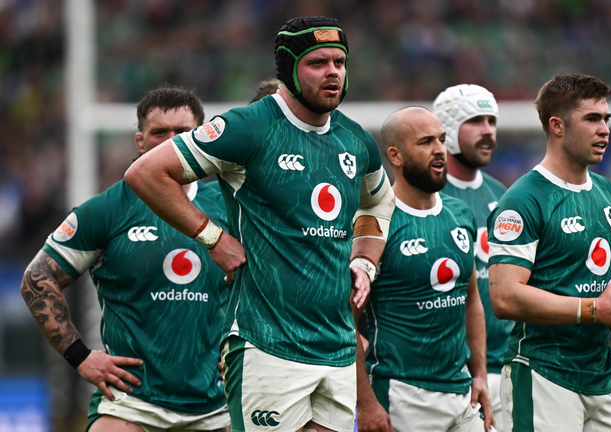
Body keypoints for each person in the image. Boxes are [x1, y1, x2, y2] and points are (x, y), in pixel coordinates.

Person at [124, 16, 395, 432]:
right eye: (318, 63)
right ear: (288, 70)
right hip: (266, 343)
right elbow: (146, 173)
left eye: (339, 62)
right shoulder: (248, 127)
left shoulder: (356, 140)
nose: (333, 73)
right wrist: (213, 238)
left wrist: (365, 262)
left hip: (337, 347)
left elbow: (379, 203)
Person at [20, 85, 232, 431]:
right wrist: (81, 357)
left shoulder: (231, 207)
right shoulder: (106, 211)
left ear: (200, 139)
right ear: (140, 142)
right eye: (159, 132)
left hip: (218, 406)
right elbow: (36, 280)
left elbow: (274, 278)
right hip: (131, 405)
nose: (171, 141)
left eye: (183, 131)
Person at [487, 73, 611, 432]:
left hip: (601, 375)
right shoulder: (523, 200)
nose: (604, 130)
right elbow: (505, 297)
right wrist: (595, 309)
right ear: (557, 126)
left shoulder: (606, 191)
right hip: (543, 374)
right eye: (592, 119)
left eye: (606, 118)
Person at [356, 107, 493, 432]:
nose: (439, 150)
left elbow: (471, 300)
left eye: (442, 140)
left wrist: (480, 375)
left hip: (463, 393)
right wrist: (366, 402)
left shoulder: (460, 214)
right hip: (402, 395)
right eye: (426, 142)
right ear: (395, 155)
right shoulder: (375, 223)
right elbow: (346, 320)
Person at [433, 84, 509, 428]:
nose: (488, 131)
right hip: (444, 373)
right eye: (476, 121)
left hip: (503, 367)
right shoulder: (422, 196)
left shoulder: (503, 196)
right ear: (447, 130)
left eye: (491, 121)